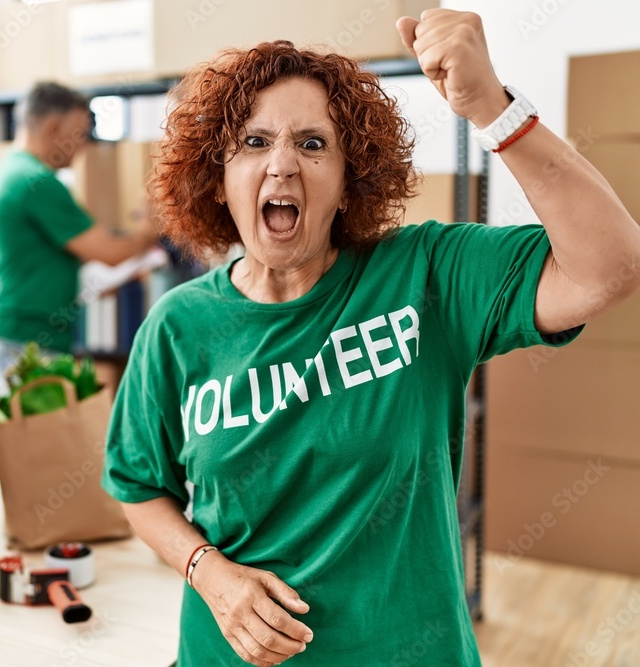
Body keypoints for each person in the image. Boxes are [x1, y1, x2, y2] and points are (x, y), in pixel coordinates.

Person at [102, 10, 640, 667]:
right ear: (217, 177)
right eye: (253, 142)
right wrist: (209, 572)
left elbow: (608, 266)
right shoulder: (177, 327)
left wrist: (493, 110)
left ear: (347, 180)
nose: (282, 166)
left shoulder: (423, 276)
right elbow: (136, 484)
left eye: (312, 143)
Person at [0, 82, 161, 395]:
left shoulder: (9, 170)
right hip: (25, 340)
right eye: (80, 133)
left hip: (15, 333)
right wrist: (152, 229)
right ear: (53, 127)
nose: (84, 147)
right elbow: (109, 251)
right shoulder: (37, 182)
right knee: (41, 442)